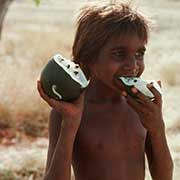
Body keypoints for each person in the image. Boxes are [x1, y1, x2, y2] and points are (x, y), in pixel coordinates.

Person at [37, 1, 173, 180]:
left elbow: (164, 177)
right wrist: (70, 123)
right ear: (88, 57)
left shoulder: (141, 107)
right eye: (119, 54)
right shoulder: (68, 111)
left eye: (139, 54)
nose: (133, 66)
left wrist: (157, 127)